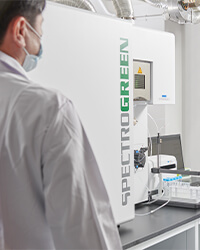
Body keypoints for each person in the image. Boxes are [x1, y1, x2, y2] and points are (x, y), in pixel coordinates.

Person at [0, 1, 122, 249]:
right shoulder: (48, 109)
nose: (40, 45)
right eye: (40, 33)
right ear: (21, 31)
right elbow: (85, 234)